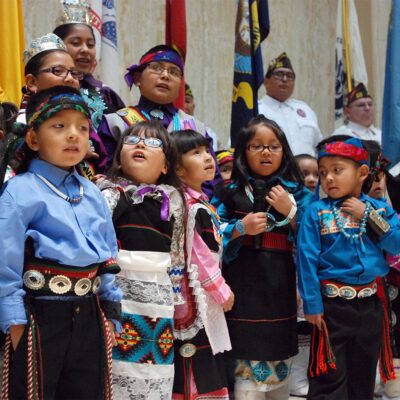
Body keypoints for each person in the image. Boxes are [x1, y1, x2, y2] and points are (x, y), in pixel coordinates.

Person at [0, 86, 122, 400]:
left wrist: (111, 313)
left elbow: (108, 256)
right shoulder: (20, 191)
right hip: (38, 315)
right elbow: (5, 259)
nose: (73, 135)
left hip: (90, 313)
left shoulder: (92, 191)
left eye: (82, 128)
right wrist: (13, 320)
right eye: (59, 126)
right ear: (33, 139)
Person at [212, 115, 312, 399]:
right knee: (246, 362)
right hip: (242, 285)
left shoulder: (296, 193)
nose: (266, 152)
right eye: (257, 146)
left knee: (279, 354)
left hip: (281, 284)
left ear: (284, 152)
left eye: (274, 146)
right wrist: (240, 228)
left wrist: (290, 212)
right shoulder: (229, 192)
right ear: (243, 151)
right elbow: (208, 231)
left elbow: (313, 236)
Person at [296, 135, 400, 400]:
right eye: (323, 172)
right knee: (328, 376)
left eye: (337, 170)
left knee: (362, 377)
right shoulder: (315, 211)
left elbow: (396, 245)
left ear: (362, 172)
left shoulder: (380, 209)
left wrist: (367, 215)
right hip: (332, 308)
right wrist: (312, 303)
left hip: (370, 307)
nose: (328, 178)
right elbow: (306, 258)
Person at [96, 120, 185, 399]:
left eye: (153, 142)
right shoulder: (107, 194)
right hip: (116, 292)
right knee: (112, 372)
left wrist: (175, 294)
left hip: (158, 301)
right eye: (132, 141)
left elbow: (176, 254)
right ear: (119, 159)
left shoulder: (173, 202)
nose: (142, 144)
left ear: (165, 166)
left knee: (154, 372)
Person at [97, 44, 221, 196]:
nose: (165, 76)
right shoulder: (115, 122)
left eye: (174, 72)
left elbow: (210, 179)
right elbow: (105, 171)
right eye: (156, 68)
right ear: (137, 78)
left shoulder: (196, 127)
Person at [170, 129, 234, 399]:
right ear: (178, 168)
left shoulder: (201, 200)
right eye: (196, 153)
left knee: (206, 360)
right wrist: (220, 289)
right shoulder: (185, 203)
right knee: (193, 361)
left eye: (207, 150)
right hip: (195, 296)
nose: (208, 157)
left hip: (205, 296)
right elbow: (197, 253)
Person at [53, 0, 125, 125]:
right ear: (58, 46)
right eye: (76, 43)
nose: (85, 49)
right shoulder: (43, 88)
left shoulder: (106, 95)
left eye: (91, 45)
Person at [258, 52, 322, 157]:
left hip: (305, 172)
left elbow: (318, 147)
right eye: (279, 74)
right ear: (266, 82)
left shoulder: (305, 110)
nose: (285, 79)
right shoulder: (256, 110)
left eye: (290, 75)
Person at [184, 83, 218, 150]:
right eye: (181, 102)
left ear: (193, 106)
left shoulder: (206, 131)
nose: (184, 106)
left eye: (187, 101)